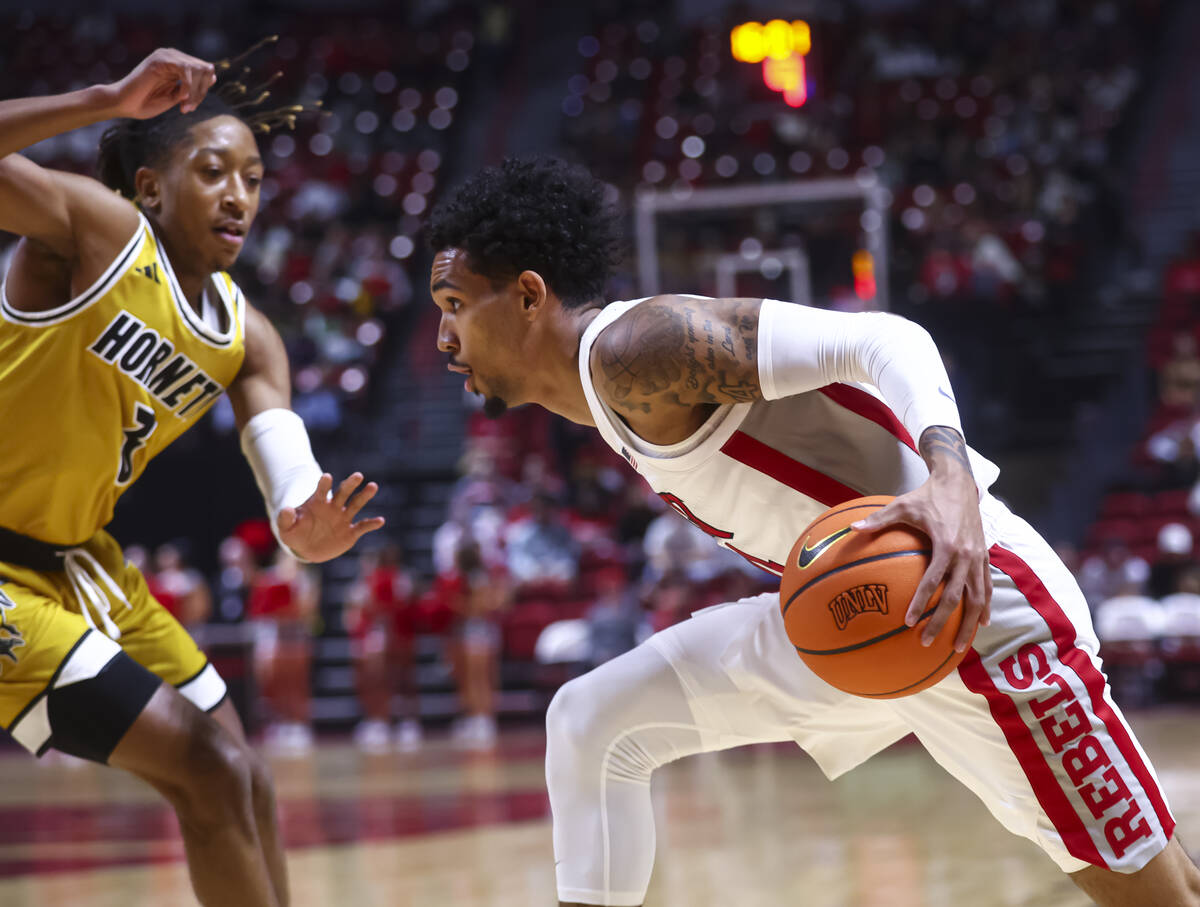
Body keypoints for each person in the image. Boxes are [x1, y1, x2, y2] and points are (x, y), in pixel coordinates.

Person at [426, 157, 1200, 907]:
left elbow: (886, 340)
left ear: (529, 294)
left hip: (972, 605)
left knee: (1162, 896)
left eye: (456, 303)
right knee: (593, 721)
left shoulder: (637, 351)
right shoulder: (603, 398)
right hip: (856, 611)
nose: (441, 336)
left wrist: (952, 480)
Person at [0, 48, 384, 907]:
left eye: (252, 175)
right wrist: (103, 99)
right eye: (212, 171)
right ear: (149, 188)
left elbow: (286, 470)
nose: (239, 194)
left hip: (79, 561)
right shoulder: (92, 229)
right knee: (205, 767)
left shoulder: (250, 335)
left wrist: (305, 525)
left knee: (242, 772)